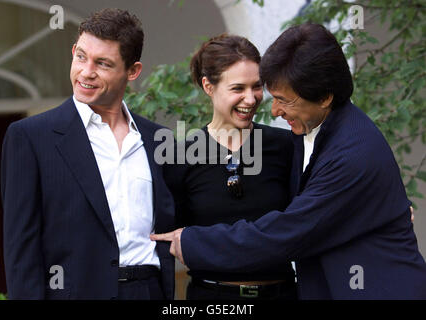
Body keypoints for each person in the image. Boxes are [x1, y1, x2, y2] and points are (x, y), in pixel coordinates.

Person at [151, 23, 426, 299]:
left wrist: (192, 242)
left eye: (281, 98)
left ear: (324, 97)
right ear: (208, 87)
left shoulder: (344, 152)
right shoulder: (315, 138)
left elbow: (290, 231)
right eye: (238, 88)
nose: (271, 108)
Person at [1, 8, 175, 300]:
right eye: (81, 56)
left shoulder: (159, 140)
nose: (86, 72)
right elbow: (21, 250)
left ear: (132, 72)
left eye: (103, 63)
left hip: (148, 291)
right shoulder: (30, 137)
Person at [161, 34, 297, 300]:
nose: (251, 98)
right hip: (212, 297)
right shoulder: (180, 156)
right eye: (237, 89)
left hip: (281, 294)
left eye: (256, 86)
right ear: (208, 86)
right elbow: (168, 238)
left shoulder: (286, 147)